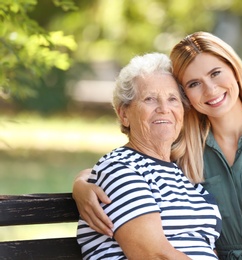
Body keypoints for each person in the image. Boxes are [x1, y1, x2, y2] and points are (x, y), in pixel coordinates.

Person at [73, 32, 242, 259]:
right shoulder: (182, 147)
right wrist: (81, 185)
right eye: (194, 84)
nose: (210, 90)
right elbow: (124, 169)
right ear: (186, 94)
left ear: (234, 69)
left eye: (215, 73)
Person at [76, 52, 222, 260]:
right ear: (124, 114)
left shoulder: (183, 176)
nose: (164, 109)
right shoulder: (120, 169)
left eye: (172, 99)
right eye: (150, 99)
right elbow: (153, 255)